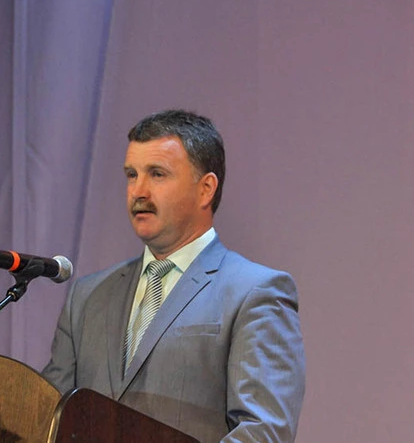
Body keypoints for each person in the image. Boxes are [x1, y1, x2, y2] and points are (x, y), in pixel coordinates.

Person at [42, 109, 305, 442]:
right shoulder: (87, 296)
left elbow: (264, 431)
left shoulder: (254, 292)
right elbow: (48, 416)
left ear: (206, 189)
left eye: (157, 174)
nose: (138, 191)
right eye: (131, 174)